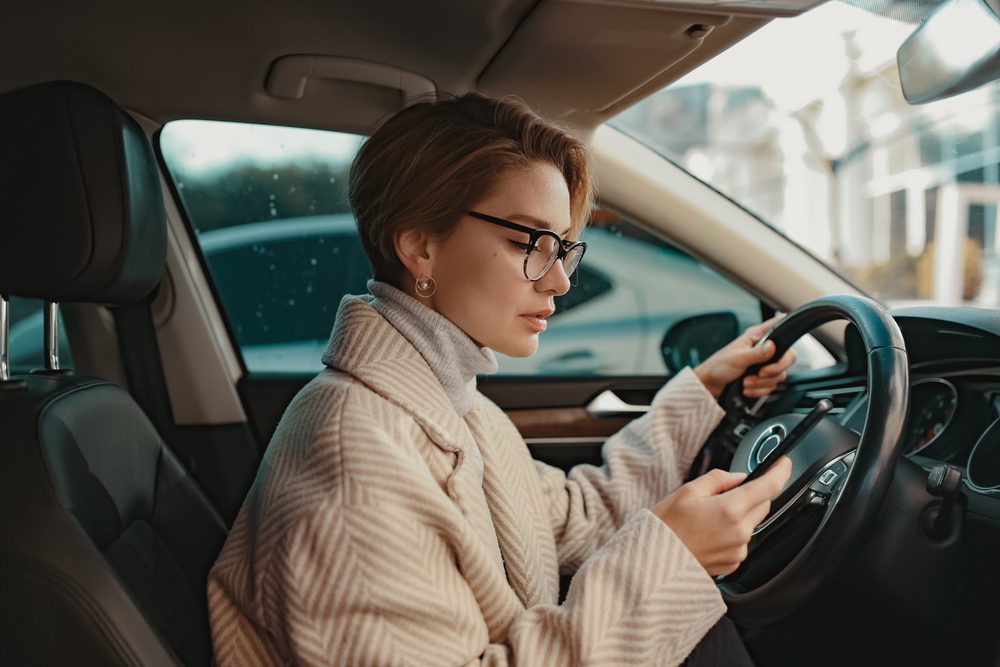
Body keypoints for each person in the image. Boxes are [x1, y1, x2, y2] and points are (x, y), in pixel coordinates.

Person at [208, 93, 795, 666]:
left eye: (563, 247)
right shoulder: (349, 454)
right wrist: (670, 565)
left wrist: (704, 391)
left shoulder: (455, 406)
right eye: (528, 242)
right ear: (418, 245)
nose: (560, 281)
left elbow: (579, 515)